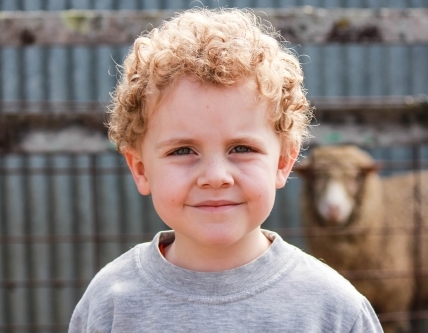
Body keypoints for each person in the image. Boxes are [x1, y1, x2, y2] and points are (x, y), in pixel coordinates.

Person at [69, 7, 383, 332]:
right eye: (183, 151)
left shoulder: (335, 311)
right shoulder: (110, 304)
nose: (216, 177)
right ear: (141, 169)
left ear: (283, 162)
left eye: (242, 149)